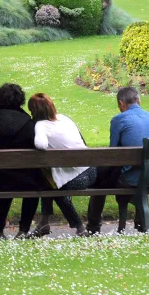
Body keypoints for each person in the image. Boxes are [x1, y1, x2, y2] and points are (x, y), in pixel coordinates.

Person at [86, 86, 149, 234]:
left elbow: (112, 155)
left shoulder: (119, 119)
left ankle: (93, 227)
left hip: (131, 179)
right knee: (142, 174)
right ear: (139, 100)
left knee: (98, 181)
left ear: (121, 103)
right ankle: (141, 224)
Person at [0, 83, 45, 239]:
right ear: (21, 100)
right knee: (32, 184)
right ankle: (23, 230)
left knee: (4, 180)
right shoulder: (28, 123)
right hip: (26, 180)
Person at [29, 93, 95, 237]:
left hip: (77, 178)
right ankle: (43, 223)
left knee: (55, 191)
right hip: (91, 171)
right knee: (49, 184)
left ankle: (79, 228)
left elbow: (41, 145)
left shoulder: (41, 125)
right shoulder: (64, 118)